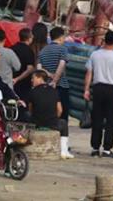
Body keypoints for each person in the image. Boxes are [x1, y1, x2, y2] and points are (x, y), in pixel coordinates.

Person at [83, 30, 113, 158]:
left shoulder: (95, 55)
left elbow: (89, 74)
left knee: (97, 118)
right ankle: (107, 149)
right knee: (111, 120)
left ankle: (95, 148)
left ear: (104, 40)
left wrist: (86, 89)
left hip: (97, 88)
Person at [39, 26, 73, 158]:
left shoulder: (43, 51)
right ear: (60, 37)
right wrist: (55, 79)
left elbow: (39, 68)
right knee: (62, 116)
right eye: (64, 37)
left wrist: (48, 76)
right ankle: (63, 147)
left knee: (50, 114)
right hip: (61, 86)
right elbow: (62, 64)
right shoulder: (63, 49)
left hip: (46, 86)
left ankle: (50, 141)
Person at [11, 27, 37, 103]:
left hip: (10, 81)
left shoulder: (12, 48)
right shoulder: (29, 51)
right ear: (29, 38)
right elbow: (30, 69)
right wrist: (17, 79)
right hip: (24, 84)